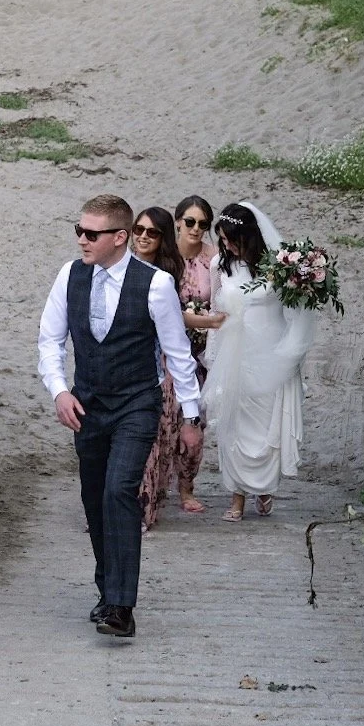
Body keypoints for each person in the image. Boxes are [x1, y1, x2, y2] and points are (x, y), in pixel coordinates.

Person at [38, 193, 202, 638]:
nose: (81, 240)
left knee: (119, 492)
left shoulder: (154, 285)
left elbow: (177, 353)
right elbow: (49, 342)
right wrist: (59, 392)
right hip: (86, 405)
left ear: (119, 237)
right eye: (78, 230)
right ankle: (107, 591)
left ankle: (122, 608)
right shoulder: (69, 276)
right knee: (94, 499)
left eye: (91, 234)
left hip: (136, 403)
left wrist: (191, 418)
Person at [204, 202, 315, 522]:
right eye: (222, 239)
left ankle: (265, 487)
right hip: (236, 354)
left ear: (248, 237)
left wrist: (292, 352)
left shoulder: (278, 268)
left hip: (271, 353)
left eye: (231, 239)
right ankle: (237, 498)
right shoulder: (219, 266)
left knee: (267, 427)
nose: (225, 245)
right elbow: (216, 311)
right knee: (235, 424)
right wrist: (213, 356)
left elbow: (296, 311)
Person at [131, 206, 187, 531]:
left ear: (162, 237)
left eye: (152, 232)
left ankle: (143, 509)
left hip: (161, 365)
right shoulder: (118, 267)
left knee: (154, 442)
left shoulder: (166, 275)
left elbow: (172, 322)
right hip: (129, 362)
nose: (143, 237)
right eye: (139, 229)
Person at [173, 195, 225, 513]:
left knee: (195, 424)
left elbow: (224, 299)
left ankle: (186, 488)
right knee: (164, 420)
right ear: (177, 221)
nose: (196, 229)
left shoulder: (215, 259)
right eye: (190, 222)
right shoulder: (164, 256)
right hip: (166, 349)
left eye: (203, 224)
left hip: (201, 352)